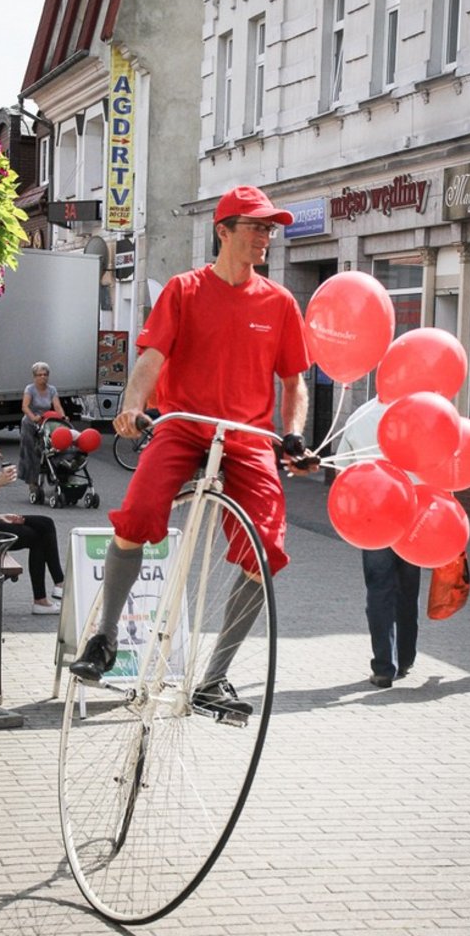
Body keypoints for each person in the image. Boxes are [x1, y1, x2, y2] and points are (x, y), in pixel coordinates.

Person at [70, 185, 317, 715]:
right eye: (255, 227)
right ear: (222, 231)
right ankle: (105, 637)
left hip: (248, 437)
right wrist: (133, 408)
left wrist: (293, 435)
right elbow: (151, 360)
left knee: (267, 551)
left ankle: (214, 678)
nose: (265, 237)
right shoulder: (183, 290)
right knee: (134, 515)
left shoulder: (278, 303)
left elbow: (294, 383)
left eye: (269, 228)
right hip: (185, 426)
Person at [337, 397, 420, 688]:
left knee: (379, 589)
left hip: (373, 515)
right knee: (407, 590)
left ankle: (384, 666)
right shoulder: (418, 412)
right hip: (414, 511)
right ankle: (406, 658)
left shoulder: (361, 415)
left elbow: (343, 468)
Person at [0, 420, 65, 615]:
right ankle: (46, 596)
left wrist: (0, 515)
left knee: (45, 523)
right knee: (39, 536)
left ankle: (56, 586)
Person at [18, 362, 65, 494]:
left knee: (51, 448)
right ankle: (32, 481)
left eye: (45, 375)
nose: (43, 377)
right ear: (34, 377)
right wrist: (33, 417)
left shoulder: (52, 390)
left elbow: (57, 406)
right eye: (39, 375)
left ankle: (56, 476)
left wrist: (63, 417)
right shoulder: (30, 389)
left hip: (46, 421)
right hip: (30, 422)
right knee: (31, 451)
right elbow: (25, 407)